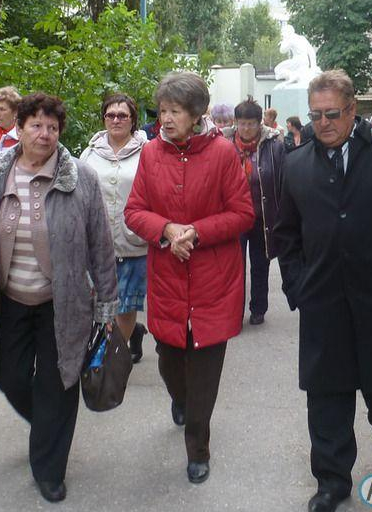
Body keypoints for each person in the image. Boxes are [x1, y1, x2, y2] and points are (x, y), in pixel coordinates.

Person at [274, 69, 372, 512]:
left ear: (352, 110)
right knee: (326, 394)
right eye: (315, 115)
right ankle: (331, 480)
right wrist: (297, 286)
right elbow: (286, 234)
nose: (322, 123)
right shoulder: (295, 164)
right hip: (324, 301)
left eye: (332, 114)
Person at [0, 92, 118, 504]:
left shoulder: (80, 178)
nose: (45, 134)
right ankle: (47, 427)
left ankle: (49, 468)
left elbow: (100, 243)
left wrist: (107, 304)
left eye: (53, 127)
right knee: (9, 374)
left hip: (64, 301)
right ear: (19, 129)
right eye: (36, 125)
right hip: (8, 299)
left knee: (60, 381)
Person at [125, 71, 254, 485]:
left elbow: (242, 214)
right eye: (162, 110)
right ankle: (178, 399)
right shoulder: (149, 155)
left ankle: (198, 448)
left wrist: (196, 232)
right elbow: (134, 211)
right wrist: (166, 231)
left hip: (214, 280)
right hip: (166, 278)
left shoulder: (222, 154)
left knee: (204, 372)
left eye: (175, 111)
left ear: (197, 114)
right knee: (169, 361)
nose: (165, 118)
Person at [80, 93, 149, 363]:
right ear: (104, 118)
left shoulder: (148, 152)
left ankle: (109, 361)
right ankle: (116, 342)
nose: (116, 119)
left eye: (123, 115)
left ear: (133, 120)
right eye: (111, 114)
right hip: (97, 244)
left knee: (125, 306)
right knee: (97, 303)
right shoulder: (90, 153)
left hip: (133, 243)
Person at [226, 97, 284, 325]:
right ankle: (234, 312)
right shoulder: (226, 146)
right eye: (242, 123)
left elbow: (281, 181)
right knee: (234, 268)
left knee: (260, 265)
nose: (246, 128)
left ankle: (258, 308)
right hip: (233, 219)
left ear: (259, 123)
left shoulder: (274, 146)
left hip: (262, 218)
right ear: (236, 123)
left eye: (251, 123)